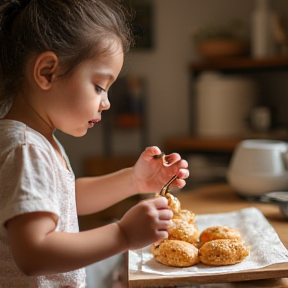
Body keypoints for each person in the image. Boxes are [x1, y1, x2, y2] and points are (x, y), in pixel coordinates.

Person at [0, 0, 189, 287]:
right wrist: (122, 235)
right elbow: (33, 254)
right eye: (99, 86)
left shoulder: (39, 141)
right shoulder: (25, 149)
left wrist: (134, 181)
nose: (107, 102)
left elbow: (66, 200)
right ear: (47, 72)